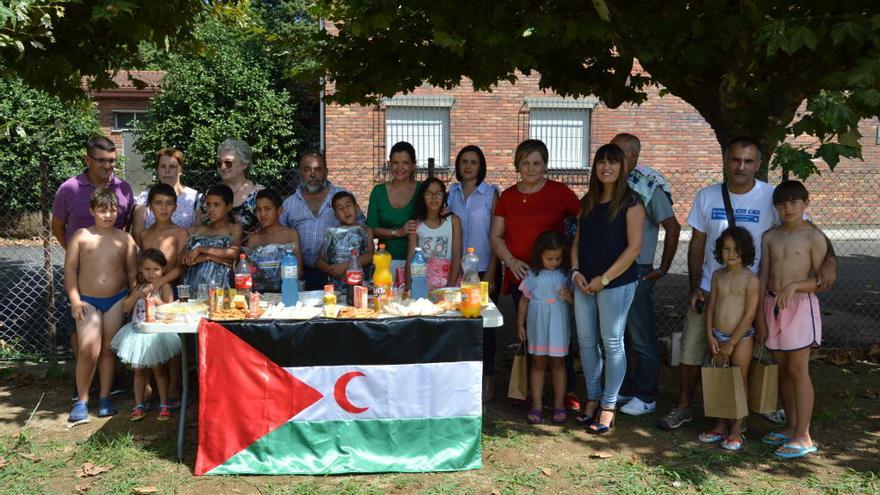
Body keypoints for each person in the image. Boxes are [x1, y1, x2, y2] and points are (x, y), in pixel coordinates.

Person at [659, 137, 838, 431]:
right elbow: (697, 243)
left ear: (758, 164)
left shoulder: (772, 197)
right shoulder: (707, 196)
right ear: (726, 161)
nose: (741, 166)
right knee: (692, 348)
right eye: (735, 160)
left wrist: (830, 261)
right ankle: (684, 406)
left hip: (752, 292)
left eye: (748, 161)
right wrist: (695, 286)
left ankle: (753, 408)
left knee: (750, 355)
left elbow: (807, 229)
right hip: (711, 287)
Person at [491, 139, 582, 411]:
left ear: (545, 165)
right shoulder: (507, 197)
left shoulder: (560, 193)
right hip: (523, 276)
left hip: (556, 275)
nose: (531, 168)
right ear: (517, 164)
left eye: (537, 163)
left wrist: (574, 259)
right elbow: (496, 236)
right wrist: (511, 260)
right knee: (532, 335)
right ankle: (533, 392)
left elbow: (585, 223)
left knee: (560, 334)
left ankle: (565, 393)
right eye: (525, 163)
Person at [572, 144, 644, 435]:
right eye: (601, 162)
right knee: (587, 343)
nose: (606, 167)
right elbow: (577, 241)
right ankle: (592, 398)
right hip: (583, 283)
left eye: (612, 162)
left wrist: (603, 279)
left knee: (612, 343)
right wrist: (576, 271)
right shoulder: (588, 200)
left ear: (622, 167)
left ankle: (609, 405)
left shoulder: (632, 202)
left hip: (615, 284)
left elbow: (634, 248)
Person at [52, 136, 135, 378]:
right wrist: (76, 257)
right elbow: (57, 226)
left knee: (111, 340)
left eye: (111, 161)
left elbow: (125, 226)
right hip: (82, 278)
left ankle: (109, 386)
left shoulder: (123, 189)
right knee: (81, 337)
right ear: (87, 159)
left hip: (115, 279)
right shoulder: (69, 189)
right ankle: (84, 390)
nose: (107, 166)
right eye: (101, 161)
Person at [611, 133, 681, 416]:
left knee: (641, 336)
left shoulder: (647, 185)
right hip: (612, 269)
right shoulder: (610, 183)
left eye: (618, 152)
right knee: (620, 336)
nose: (611, 157)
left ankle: (647, 395)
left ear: (633, 157)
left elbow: (673, 227)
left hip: (638, 269)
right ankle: (626, 389)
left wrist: (663, 268)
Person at [758, 180, 827, 459]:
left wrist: (796, 285)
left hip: (800, 307)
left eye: (794, 202)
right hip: (771, 305)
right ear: (776, 207)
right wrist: (758, 313)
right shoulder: (770, 236)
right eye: (783, 203)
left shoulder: (814, 236)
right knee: (783, 368)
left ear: (806, 204)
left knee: (798, 371)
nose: (788, 208)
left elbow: (822, 281)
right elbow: (763, 275)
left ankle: (804, 435)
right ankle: (790, 426)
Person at [64, 189, 138, 421]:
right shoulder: (82, 236)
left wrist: (130, 299)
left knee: (108, 349)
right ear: (92, 211)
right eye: (102, 210)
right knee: (88, 349)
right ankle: (82, 400)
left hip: (116, 299)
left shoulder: (125, 238)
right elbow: (71, 270)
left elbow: (132, 273)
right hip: (87, 300)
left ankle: (105, 396)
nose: (108, 215)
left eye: (112, 210)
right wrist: (75, 300)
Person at [698, 227, 760, 450]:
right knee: (721, 378)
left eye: (736, 249)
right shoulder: (718, 276)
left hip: (741, 338)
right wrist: (709, 334)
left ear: (746, 251)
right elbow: (712, 306)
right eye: (726, 249)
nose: (731, 253)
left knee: (739, 379)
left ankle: (737, 427)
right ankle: (721, 423)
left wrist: (732, 342)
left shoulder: (750, 279)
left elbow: (749, 314)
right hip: (718, 336)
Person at [447, 145, 501, 399]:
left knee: (485, 326)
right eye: (464, 162)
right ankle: (463, 377)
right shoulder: (452, 193)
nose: (468, 166)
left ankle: (487, 378)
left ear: (481, 167)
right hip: (458, 268)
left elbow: (496, 235)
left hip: (483, 269)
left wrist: (491, 272)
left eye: (474, 162)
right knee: (459, 323)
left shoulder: (491, 194)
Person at [110, 248, 181, 422]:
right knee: (139, 371)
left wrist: (157, 302)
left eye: (156, 269)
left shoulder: (165, 287)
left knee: (159, 370)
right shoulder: (138, 288)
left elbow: (171, 311)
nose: (151, 273)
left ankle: (164, 404)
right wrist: (136, 296)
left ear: (163, 270)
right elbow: (125, 308)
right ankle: (139, 404)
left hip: (156, 334)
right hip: (137, 334)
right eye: (147, 269)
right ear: (141, 269)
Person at [517, 231, 572, 425]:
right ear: (540, 254)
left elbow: (576, 301)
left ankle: (559, 405)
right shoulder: (533, 274)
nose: (554, 262)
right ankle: (537, 405)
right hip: (537, 323)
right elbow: (524, 300)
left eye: (558, 258)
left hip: (558, 323)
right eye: (549, 258)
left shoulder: (566, 275)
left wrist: (570, 298)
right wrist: (520, 324)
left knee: (558, 363)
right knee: (538, 363)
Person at [280, 152, 352, 290]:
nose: (312, 174)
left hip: (337, 272)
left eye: (318, 169)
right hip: (301, 272)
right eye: (307, 169)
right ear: (300, 172)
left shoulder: (342, 197)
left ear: (326, 172)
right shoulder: (289, 204)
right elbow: (278, 233)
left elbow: (360, 226)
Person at [367, 142, 422, 284]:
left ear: (413, 165)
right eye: (395, 162)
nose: (400, 167)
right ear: (389, 164)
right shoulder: (378, 192)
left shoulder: (423, 191)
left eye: (405, 163)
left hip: (419, 262)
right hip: (385, 263)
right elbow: (371, 229)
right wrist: (397, 232)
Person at [131, 148, 200, 244]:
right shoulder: (145, 198)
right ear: (157, 169)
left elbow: (198, 230)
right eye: (163, 166)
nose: (167, 171)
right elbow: (138, 233)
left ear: (180, 170)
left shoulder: (194, 198)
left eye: (172, 166)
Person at [201, 139, 264, 243]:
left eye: (228, 163)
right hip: (211, 253)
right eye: (219, 163)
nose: (223, 167)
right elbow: (199, 227)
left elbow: (270, 231)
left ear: (244, 164)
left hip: (249, 254)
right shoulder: (210, 193)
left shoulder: (259, 194)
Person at [406, 177, 462, 291]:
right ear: (422, 197)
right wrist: (408, 287)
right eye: (429, 193)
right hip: (423, 282)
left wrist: (449, 289)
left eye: (438, 193)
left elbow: (457, 256)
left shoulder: (453, 221)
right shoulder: (416, 224)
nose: (434, 197)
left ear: (444, 196)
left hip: (449, 281)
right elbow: (411, 257)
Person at [182, 184, 242, 288]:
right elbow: (183, 259)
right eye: (208, 204)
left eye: (216, 205)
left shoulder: (234, 228)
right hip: (193, 284)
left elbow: (234, 253)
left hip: (221, 287)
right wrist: (209, 257)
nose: (211, 209)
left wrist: (200, 250)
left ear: (228, 206)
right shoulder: (198, 230)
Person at [246, 188, 303, 293]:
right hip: (260, 296)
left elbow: (298, 271)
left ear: (279, 211)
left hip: (287, 293)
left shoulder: (290, 234)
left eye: (267, 209)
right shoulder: (254, 239)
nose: (262, 214)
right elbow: (249, 273)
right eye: (258, 210)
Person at [316, 191, 374, 292]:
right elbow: (319, 261)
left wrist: (345, 266)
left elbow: (370, 255)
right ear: (336, 215)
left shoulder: (366, 231)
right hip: (337, 288)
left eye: (348, 205)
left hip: (361, 286)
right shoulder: (332, 234)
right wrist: (333, 271)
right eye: (340, 208)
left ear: (356, 207)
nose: (345, 210)